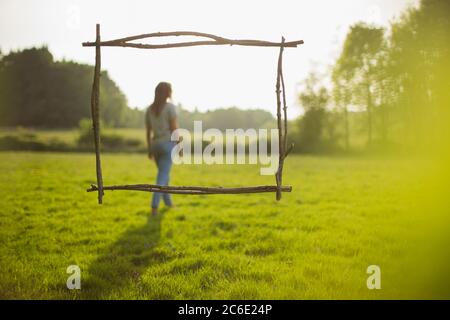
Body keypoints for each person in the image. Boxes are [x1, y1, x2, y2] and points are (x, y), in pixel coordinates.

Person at [146, 82, 178, 216]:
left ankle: (168, 203)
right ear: (168, 93)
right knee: (162, 176)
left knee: (164, 175)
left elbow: (148, 131)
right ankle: (154, 207)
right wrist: (179, 146)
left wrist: (149, 149)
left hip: (155, 145)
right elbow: (174, 129)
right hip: (167, 145)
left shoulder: (149, 109)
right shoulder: (170, 108)